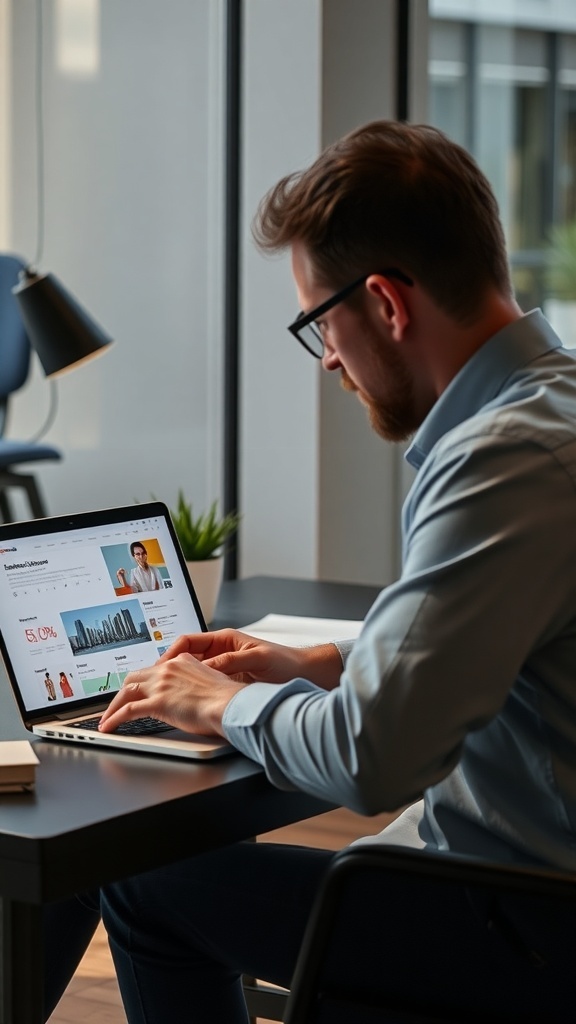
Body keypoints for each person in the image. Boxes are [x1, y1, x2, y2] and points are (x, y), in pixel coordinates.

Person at [44, 121, 576, 1022]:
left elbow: (372, 759)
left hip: (527, 930)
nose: (328, 357)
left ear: (386, 303)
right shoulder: (556, 406)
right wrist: (319, 662)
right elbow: (509, 630)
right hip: (528, 886)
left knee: (136, 880)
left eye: (319, 324)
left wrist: (220, 703)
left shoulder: (502, 459)